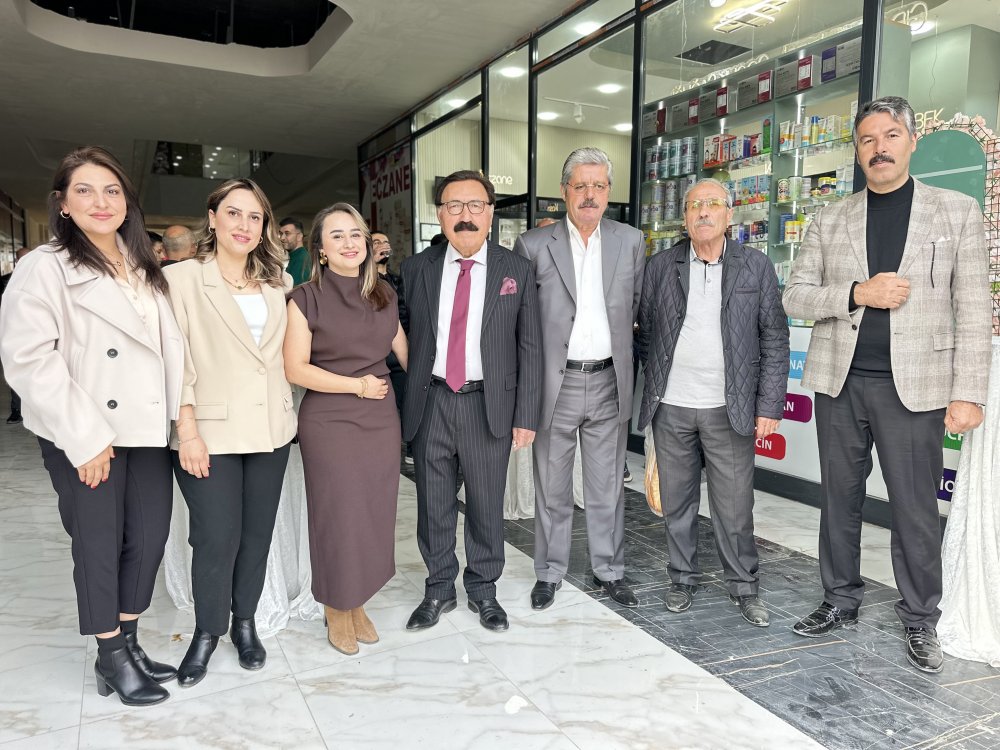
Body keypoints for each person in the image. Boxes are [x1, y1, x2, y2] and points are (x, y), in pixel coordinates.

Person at [783, 96, 992, 673]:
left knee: (916, 508)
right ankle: (839, 598)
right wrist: (858, 293)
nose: (880, 148)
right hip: (839, 382)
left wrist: (969, 392)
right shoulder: (830, 217)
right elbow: (795, 295)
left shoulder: (955, 212)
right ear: (857, 151)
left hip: (918, 386)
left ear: (911, 141)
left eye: (891, 135)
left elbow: (974, 308)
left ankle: (921, 618)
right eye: (868, 139)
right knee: (839, 500)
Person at [0, 146, 183, 706]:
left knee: (148, 539)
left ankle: (129, 640)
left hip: (146, 427)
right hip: (85, 431)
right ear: (62, 203)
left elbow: (167, 349)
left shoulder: (144, 267)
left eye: (111, 190)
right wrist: (84, 436)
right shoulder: (45, 266)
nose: (100, 202)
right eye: (84, 190)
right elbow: (29, 359)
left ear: (127, 202)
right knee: (100, 543)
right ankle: (110, 654)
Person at [637, 178, 789, 626]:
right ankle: (682, 578)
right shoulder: (661, 266)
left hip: (731, 408)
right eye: (694, 205)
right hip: (672, 406)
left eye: (712, 204)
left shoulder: (755, 266)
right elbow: (645, 331)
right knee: (677, 502)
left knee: (735, 507)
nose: (703, 212)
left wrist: (769, 406)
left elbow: (774, 337)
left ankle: (744, 586)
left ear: (729, 213)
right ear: (684, 216)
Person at [164, 178, 297, 687]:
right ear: (213, 218)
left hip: (270, 431)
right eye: (234, 213)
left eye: (255, 217)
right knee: (215, 538)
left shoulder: (277, 281)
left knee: (256, 536)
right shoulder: (181, 279)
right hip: (209, 432)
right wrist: (187, 430)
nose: (244, 225)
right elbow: (176, 360)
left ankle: (245, 623)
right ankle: (206, 632)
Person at [402, 170, 541, 633]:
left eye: (475, 205)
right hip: (433, 402)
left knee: (485, 504)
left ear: (490, 213)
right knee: (433, 505)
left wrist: (526, 415)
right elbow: (400, 336)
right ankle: (439, 588)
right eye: (454, 206)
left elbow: (530, 347)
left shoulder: (516, 270)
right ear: (440, 214)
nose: (465, 216)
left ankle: (483, 590)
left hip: (488, 406)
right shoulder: (416, 269)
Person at [514, 147, 644, 611]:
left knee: (607, 486)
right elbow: (522, 326)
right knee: (552, 486)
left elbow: (635, 310)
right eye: (581, 185)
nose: (590, 194)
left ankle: (609, 570)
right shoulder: (533, 245)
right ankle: (549, 573)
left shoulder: (631, 241)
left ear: (609, 191)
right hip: (557, 384)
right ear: (564, 190)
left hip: (609, 380)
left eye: (599, 186)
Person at [284, 205, 407, 654]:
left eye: (355, 234)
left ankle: (357, 600)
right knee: (338, 515)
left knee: (374, 511)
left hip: (380, 418)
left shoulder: (383, 293)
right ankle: (336, 606)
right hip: (331, 419)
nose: (349, 243)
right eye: (336, 236)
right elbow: (295, 368)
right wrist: (357, 386)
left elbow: (404, 349)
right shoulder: (304, 298)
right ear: (320, 249)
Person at [373, 229, 412, 466]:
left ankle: (410, 448)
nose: (382, 245)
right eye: (376, 242)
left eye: (385, 242)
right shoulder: (363, 281)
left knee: (408, 401)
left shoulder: (399, 279)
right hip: (378, 355)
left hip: (401, 351)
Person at [2, 247, 32, 424]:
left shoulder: (45, 277)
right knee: (16, 370)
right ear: (16, 261)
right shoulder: (5, 281)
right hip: (14, 332)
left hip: (40, 330)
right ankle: (17, 410)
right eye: (22, 258)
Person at [278, 217, 312, 286]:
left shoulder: (302, 258)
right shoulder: (296, 256)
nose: (282, 238)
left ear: (299, 236)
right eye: (281, 234)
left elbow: (295, 291)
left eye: (287, 233)